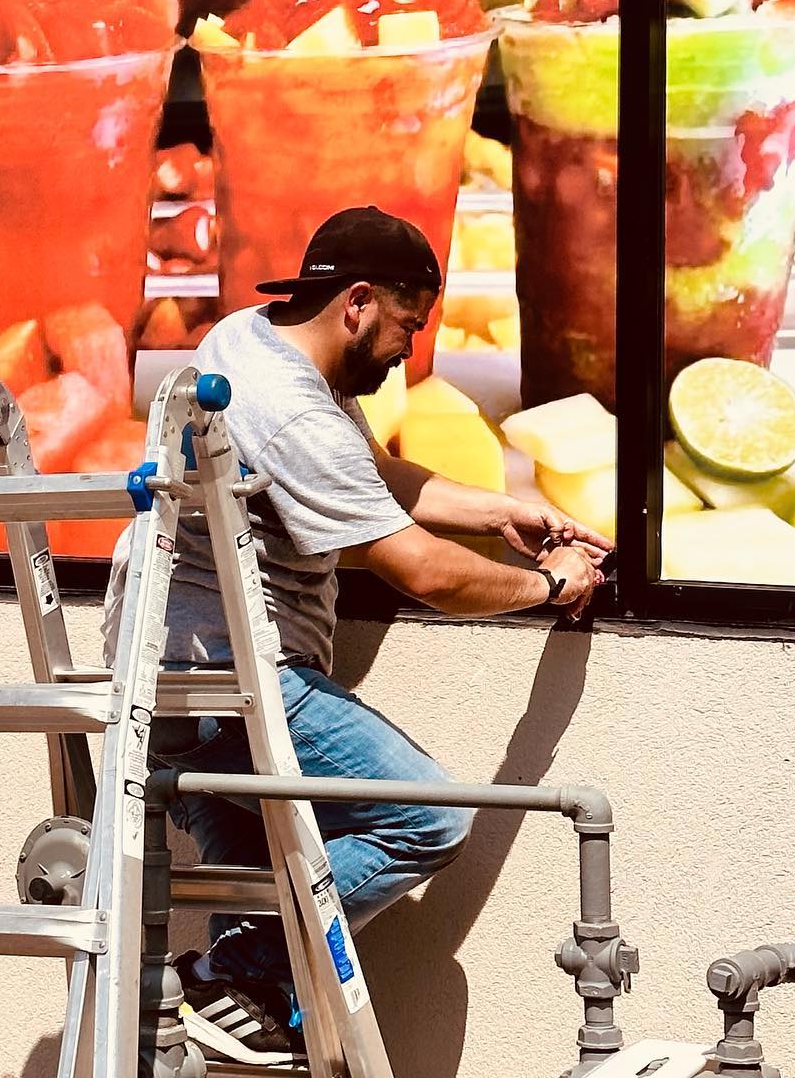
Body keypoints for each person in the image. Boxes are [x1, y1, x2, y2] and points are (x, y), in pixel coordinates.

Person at [102, 205, 611, 1067]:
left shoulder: (248, 339)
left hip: (163, 677)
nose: (409, 349)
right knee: (426, 821)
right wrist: (547, 584)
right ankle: (229, 973)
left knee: (255, 959)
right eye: (407, 326)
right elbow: (420, 572)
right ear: (361, 303)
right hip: (229, 680)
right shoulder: (291, 408)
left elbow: (372, 476)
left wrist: (504, 511)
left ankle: (233, 994)